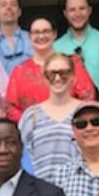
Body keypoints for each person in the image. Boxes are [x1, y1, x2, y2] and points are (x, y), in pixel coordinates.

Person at [5, 16, 97, 123]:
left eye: (46, 31)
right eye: (36, 32)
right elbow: (10, 107)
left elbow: (87, 97)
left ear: (54, 34)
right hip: (33, 132)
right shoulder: (19, 71)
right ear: (29, 37)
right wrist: (31, 124)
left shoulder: (72, 64)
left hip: (70, 128)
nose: (41, 36)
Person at [17, 52, 81, 183]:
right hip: (39, 193)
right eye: (51, 74)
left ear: (73, 76)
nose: (57, 79)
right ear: (44, 78)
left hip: (77, 190)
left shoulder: (85, 112)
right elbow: (22, 157)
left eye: (63, 73)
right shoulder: (31, 116)